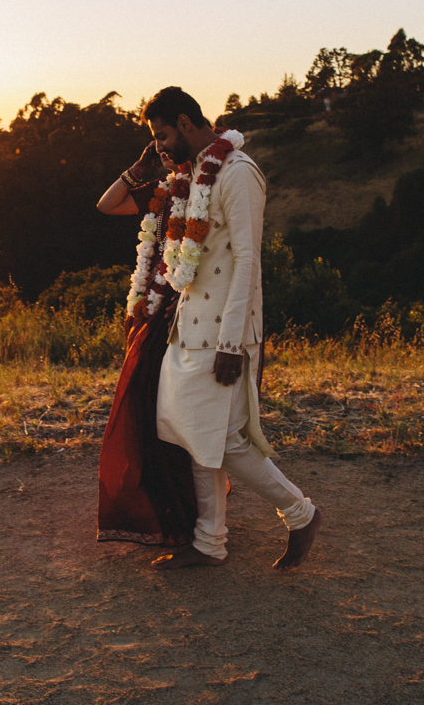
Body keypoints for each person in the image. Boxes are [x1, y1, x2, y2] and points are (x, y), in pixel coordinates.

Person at [95, 86, 322, 571]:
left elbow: (247, 261)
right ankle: (210, 542)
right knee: (189, 431)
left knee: (223, 441)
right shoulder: (189, 175)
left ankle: (299, 513)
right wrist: (142, 164)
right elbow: (111, 208)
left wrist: (232, 342)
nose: (158, 145)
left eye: (161, 135)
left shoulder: (238, 173)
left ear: (184, 121)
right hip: (187, 327)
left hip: (223, 332)